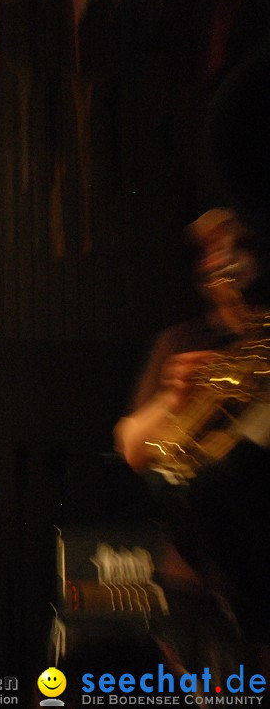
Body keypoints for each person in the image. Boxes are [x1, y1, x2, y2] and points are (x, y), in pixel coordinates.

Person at [113, 209, 270, 663]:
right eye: (206, 250)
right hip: (197, 582)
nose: (216, 259)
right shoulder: (180, 341)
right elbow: (132, 448)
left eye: (230, 244)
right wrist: (172, 397)